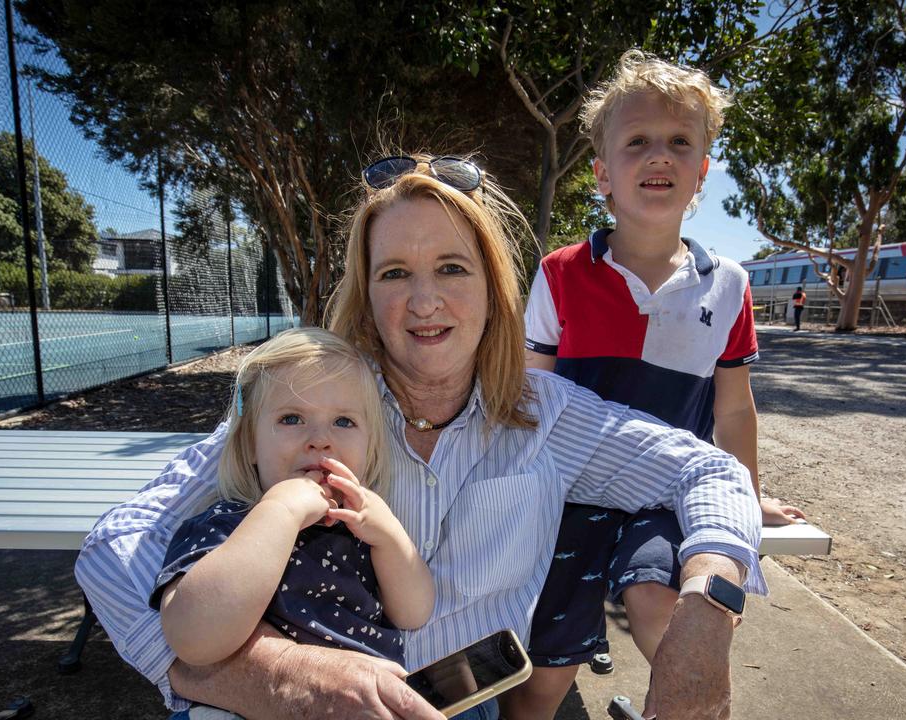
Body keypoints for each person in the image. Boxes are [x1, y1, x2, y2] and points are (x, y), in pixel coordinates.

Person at [75, 152, 765, 720]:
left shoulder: (550, 414)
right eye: (395, 273)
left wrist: (706, 608)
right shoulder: (313, 407)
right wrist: (274, 673)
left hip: (460, 703)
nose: (424, 300)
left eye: (452, 268)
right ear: (367, 295)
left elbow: (707, 472)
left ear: (496, 288)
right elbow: (117, 542)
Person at [515, 50, 804, 719]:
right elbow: (534, 397)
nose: (659, 156)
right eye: (637, 141)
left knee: (663, 608)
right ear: (602, 174)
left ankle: (693, 703)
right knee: (543, 677)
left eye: (680, 142)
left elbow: (734, 413)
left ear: (702, 171)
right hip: (574, 486)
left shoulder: (728, 285)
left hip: (667, 488)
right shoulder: (560, 273)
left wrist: (746, 500)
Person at [152, 328, 434, 719]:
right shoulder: (225, 524)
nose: (320, 439)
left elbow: (415, 612)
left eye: (344, 421)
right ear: (249, 442)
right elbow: (194, 640)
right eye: (291, 418)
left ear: (370, 449)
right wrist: (282, 509)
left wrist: (390, 538)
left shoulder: (362, 528)